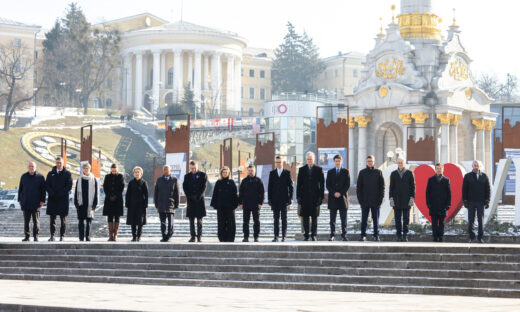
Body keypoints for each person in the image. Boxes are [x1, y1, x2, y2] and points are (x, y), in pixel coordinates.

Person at [297, 151, 324, 241]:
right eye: (308, 159)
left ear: (314, 159)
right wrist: (298, 197)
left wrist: (321, 197)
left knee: (314, 217)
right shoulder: (301, 170)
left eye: (311, 159)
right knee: (305, 217)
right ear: (306, 159)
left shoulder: (319, 169)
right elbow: (298, 185)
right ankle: (306, 235)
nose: (309, 161)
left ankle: (313, 235)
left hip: (315, 197)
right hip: (304, 197)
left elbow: (322, 185)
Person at [356, 155, 385, 241]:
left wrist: (380, 200)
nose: (369, 162)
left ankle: (376, 235)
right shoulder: (362, 173)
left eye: (371, 161)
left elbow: (382, 187)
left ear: (374, 162)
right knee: (364, 219)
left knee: (376, 219)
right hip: (364, 201)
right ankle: (363, 235)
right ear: (366, 162)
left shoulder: (378, 172)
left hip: (376, 201)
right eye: (368, 161)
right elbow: (359, 188)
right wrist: (360, 200)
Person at [462, 160, 491, 244]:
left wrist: (487, 200)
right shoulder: (467, 176)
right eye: (474, 165)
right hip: (471, 201)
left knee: (480, 220)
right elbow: (464, 189)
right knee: (470, 220)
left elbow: (488, 189)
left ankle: (480, 237)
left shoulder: (484, 176)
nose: (476, 166)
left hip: (481, 202)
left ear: (480, 166)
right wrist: (465, 200)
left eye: (477, 165)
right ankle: (471, 237)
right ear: (472, 166)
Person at [46, 157, 73, 242]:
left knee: (63, 219)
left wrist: (60, 193)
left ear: (63, 163)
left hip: (63, 200)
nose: (58, 164)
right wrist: (52, 193)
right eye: (57, 162)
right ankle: (52, 236)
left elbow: (69, 186)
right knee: (52, 219)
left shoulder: (68, 174)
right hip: (52, 199)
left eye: (60, 163)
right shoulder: (50, 174)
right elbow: (47, 185)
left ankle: (62, 236)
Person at [389, 158, 415, 242]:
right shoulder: (393, 174)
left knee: (406, 219)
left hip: (406, 200)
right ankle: (398, 235)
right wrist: (391, 198)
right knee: (397, 219)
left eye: (401, 162)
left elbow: (413, 187)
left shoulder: (409, 173)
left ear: (404, 163)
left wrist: (412, 198)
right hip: (396, 200)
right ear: (397, 163)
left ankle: (405, 235)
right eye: (399, 162)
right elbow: (391, 187)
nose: (400, 164)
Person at [18, 162, 46, 242]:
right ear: (27, 167)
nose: (31, 167)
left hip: (36, 203)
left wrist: (42, 200)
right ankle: (27, 236)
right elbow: (20, 189)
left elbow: (43, 191)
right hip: (26, 202)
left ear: (35, 167)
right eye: (30, 166)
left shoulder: (40, 177)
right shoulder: (24, 176)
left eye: (32, 166)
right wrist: (19, 199)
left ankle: (36, 236)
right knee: (26, 221)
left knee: (36, 221)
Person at [268, 156, 293, 242]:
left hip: (284, 200)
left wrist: (290, 199)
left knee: (284, 219)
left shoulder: (287, 173)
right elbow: (269, 187)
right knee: (276, 219)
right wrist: (269, 199)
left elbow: (291, 187)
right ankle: (276, 236)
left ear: (283, 163)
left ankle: (284, 236)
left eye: (280, 162)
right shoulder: (272, 173)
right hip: (275, 200)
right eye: (277, 162)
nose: (278, 164)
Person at [326, 154, 350, 241]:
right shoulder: (330, 172)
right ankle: (332, 235)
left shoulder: (346, 172)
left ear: (341, 161)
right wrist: (334, 193)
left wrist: (340, 193)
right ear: (334, 162)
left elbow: (347, 185)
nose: (337, 162)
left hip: (342, 198)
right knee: (332, 219)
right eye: (336, 161)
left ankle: (344, 235)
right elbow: (328, 185)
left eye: (339, 161)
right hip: (333, 198)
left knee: (344, 219)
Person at [211, 166, 238, 242]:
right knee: (221, 223)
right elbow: (215, 194)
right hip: (221, 206)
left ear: (229, 173)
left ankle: (230, 238)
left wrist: (235, 205)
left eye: (226, 172)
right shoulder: (218, 182)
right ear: (221, 173)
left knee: (231, 223)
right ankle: (222, 238)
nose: (225, 174)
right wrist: (215, 204)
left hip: (230, 207)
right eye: (223, 172)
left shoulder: (232, 182)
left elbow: (235, 194)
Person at [183, 160, 207, 242]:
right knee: (191, 220)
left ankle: (199, 236)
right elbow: (185, 187)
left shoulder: (203, 175)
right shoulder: (187, 176)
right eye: (191, 168)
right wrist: (190, 196)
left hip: (199, 200)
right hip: (190, 201)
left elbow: (203, 187)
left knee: (199, 220)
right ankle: (193, 236)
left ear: (197, 167)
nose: (193, 170)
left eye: (194, 168)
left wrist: (198, 196)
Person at [239, 165, 264, 242]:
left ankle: (256, 237)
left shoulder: (258, 180)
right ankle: (246, 237)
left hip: (256, 204)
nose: (250, 172)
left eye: (252, 170)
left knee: (256, 221)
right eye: (249, 170)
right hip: (246, 204)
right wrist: (240, 203)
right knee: (245, 221)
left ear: (255, 171)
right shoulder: (244, 181)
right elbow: (241, 193)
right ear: (247, 171)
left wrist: (260, 203)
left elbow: (262, 193)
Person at [426, 163, 451, 242]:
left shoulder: (446, 180)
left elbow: (449, 193)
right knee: (434, 223)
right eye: (437, 168)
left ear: (443, 169)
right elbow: (427, 192)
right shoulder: (431, 179)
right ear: (435, 169)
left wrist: (448, 204)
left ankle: (441, 237)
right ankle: (435, 237)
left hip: (443, 205)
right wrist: (428, 203)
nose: (439, 170)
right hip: (433, 205)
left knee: (442, 223)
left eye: (440, 168)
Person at [74, 162, 99, 242]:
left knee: (89, 221)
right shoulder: (79, 179)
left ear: (90, 169)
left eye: (87, 168)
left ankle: (88, 237)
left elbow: (96, 192)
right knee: (81, 221)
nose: (86, 170)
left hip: (90, 203)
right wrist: (76, 202)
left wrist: (95, 203)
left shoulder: (93, 179)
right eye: (84, 168)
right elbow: (76, 192)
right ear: (82, 169)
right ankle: (81, 237)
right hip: (81, 203)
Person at [154, 165, 180, 242]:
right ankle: (164, 236)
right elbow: (156, 193)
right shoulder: (159, 180)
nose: (166, 171)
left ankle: (169, 235)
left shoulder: (174, 180)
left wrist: (177, 204)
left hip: (171, 204)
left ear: (170, 171)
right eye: (164, 169)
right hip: (161, 204)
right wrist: (156, 203)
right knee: (162, 222)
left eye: (167, 169)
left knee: (170, 223)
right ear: (163, 171)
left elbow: (177, 193)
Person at [102, 163, 125, 241]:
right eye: (113, 169)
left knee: (117, 217)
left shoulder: (120, 176)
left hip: (118, 200)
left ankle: (115, 235)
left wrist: (115, 196)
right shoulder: (107, 176)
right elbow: (105, 187)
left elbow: (121, 187)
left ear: (117, 169)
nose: (114, 171)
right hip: (109, 200)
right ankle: (110, 235)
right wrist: (109, 196)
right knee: (110, 217)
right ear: (111, 169)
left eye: (115, 169)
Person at [126, 166, 148, 242]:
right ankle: (134, 236)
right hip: (132, 205)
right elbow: (128, 194)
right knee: (133, 221)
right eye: (135, 172)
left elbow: (146, 194)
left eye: (138, 172)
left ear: (141, 173)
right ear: (133, 174)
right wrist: (127, 203)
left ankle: (139, 236)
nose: (137, 173)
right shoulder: (131, 183)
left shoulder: (144, 182)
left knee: (140, 222)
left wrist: (146, 204)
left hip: (141, 205)